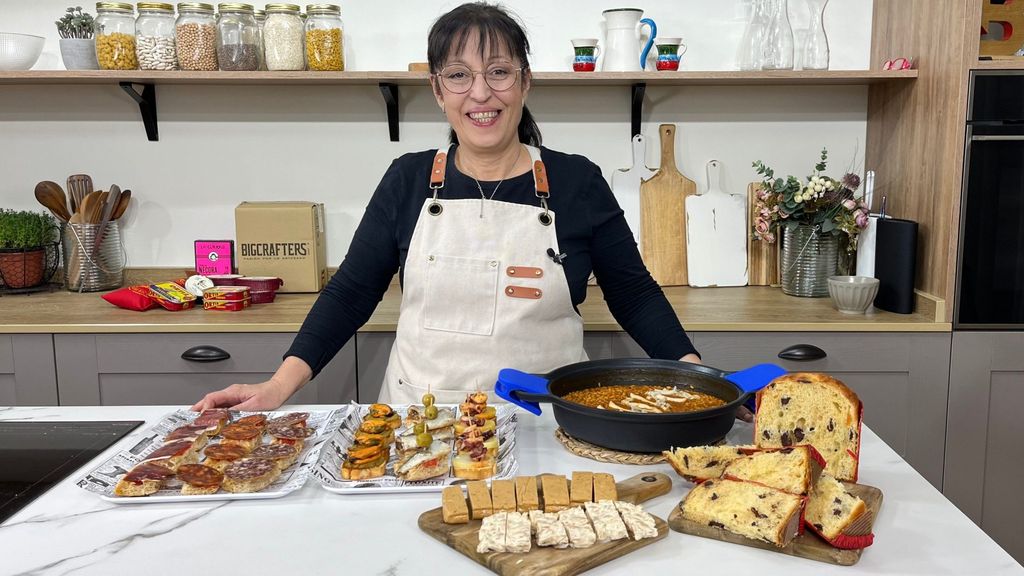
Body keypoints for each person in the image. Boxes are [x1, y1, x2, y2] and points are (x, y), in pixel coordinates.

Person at [192, 2, 700, 412]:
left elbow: (634, 295)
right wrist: (277, 387)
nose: (481, 93)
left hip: (546, 420)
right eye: (459, 75)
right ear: (438, 90)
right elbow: (350, 293)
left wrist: (702, 378)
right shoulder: (407, 180)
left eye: (499, 72)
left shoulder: (576, 181)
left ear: (525, 82)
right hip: (422, 421)